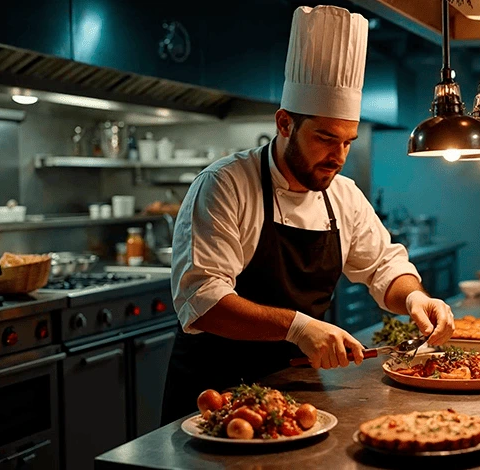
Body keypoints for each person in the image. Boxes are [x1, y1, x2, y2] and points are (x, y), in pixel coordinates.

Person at [160, 5, 454, 424]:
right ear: (284, 124)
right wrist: (298, 327)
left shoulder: (343, 195)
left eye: (348, 141)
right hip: (213, 400)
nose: (338, 157)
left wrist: (415, 298)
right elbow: (203, 302)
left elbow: (383, 266)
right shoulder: (225, 185)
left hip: (295, 394)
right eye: (325, 138)